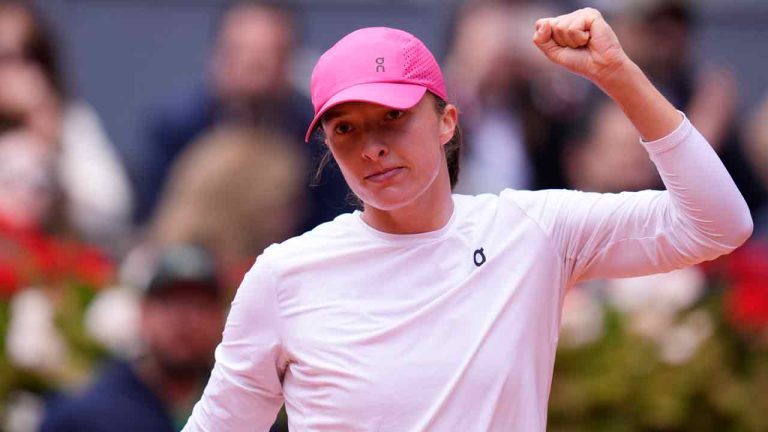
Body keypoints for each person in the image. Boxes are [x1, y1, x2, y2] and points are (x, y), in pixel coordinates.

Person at [182, 8, 753, 431]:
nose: (372, 147)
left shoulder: (533, 229)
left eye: (392, 118)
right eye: (346, 129)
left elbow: (718, 223)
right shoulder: (284, 274)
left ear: (447, 122)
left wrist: (617, 75)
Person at [137, 0, 352, 229]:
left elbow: (332, 223)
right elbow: (150, 218)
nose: (254, 66)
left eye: (269, 54)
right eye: (241, 51)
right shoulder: (175, 128)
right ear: (217, 55)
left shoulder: (319, 138)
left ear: (291, 59)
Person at [41, 245, 227, 432]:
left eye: (201, 306)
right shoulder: (85, 416)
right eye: (170, 305)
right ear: (143, 314)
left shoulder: (236, 405)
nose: (186, 320)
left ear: (221, 318)